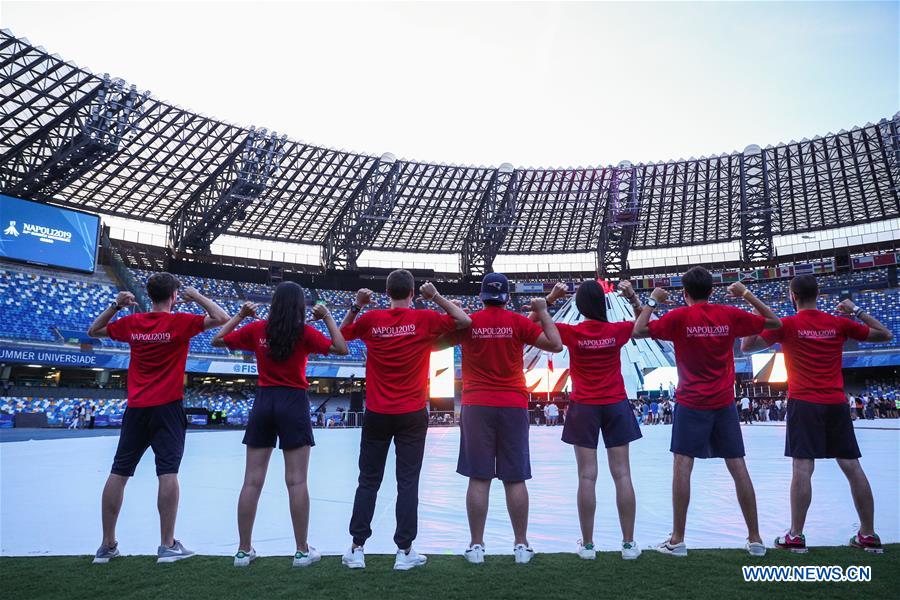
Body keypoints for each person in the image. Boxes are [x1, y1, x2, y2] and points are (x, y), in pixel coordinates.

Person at [633, 267, 781, 557]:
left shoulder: (678, 318)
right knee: (738, 467)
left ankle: (677, 539)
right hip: (724, 401)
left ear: (685, 293)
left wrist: (652, 301)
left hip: (691, 402)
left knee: (682, 467)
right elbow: (774, 322)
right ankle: (755, 538)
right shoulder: (728, 314)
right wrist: (746, 294)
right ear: (712, 291)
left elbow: (638, 331)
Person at [741, 276, 893, 554]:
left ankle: (796, 536)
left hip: (803, 403)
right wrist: (855, 310)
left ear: (792, 296)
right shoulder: (838, 323)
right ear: (818, 294)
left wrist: (755, 308)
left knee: (802, 469)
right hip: (835, 402)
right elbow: (885, 334)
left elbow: (747, 346)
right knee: (852, 467)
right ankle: (868, 534)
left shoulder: (787, 325)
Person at [87, 273, 228, 564]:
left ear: (148, 296)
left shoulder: (132, 323)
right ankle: (167, 544)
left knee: (119, 472)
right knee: (167, 473)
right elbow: (222, 317)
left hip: (137, 407)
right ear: (174, 296)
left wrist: (116, 306)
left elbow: (94, 330)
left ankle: (106, 545)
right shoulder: (179, 322)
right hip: (167, 406)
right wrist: (198, 297)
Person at [339, 271, 471, 571]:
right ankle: (404, 550)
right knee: (407, 483)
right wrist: (436, 298)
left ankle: (357, 548)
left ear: (387, 293)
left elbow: (342, 335)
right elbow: (465, 322)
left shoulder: (372, 319)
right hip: (411, 413)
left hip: (377, 412)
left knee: (368, 481)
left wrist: (357, 305)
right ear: (413, 293)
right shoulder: (424, 320)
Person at [211, 284, 349, 568]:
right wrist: (327, 317)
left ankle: (242, 550)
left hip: (264, 401)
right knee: (297, 481)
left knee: (252, 480)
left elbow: (217, 340)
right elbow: (341, 348)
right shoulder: (304, 333)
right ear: (300, 306)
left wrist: (240, 315)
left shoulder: (258, 329)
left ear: (273, 303)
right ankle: (301, 551)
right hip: (293, 401)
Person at [434, 273, 561, 565]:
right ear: (506, 296)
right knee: (515, 478)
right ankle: (521, 545)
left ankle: (476, 546)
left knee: (479, 477)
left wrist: (448, 311)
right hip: (513, 405)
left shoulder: (469, 322)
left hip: (477, 405)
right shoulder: (517, 323)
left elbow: (432, 345)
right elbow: (555, 344)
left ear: (481, 296)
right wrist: (544, 309)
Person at [552, 280, 644, 560]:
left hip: (584, 406)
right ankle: (628, 544)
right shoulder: (616, 330)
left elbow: (535, 323)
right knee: (623, 474)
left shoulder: (572, 332)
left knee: (586, 476)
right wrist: (632, 297)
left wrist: (552, 298)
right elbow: (643, 325)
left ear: (579, 305)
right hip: (615, 403)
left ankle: (588, 545)